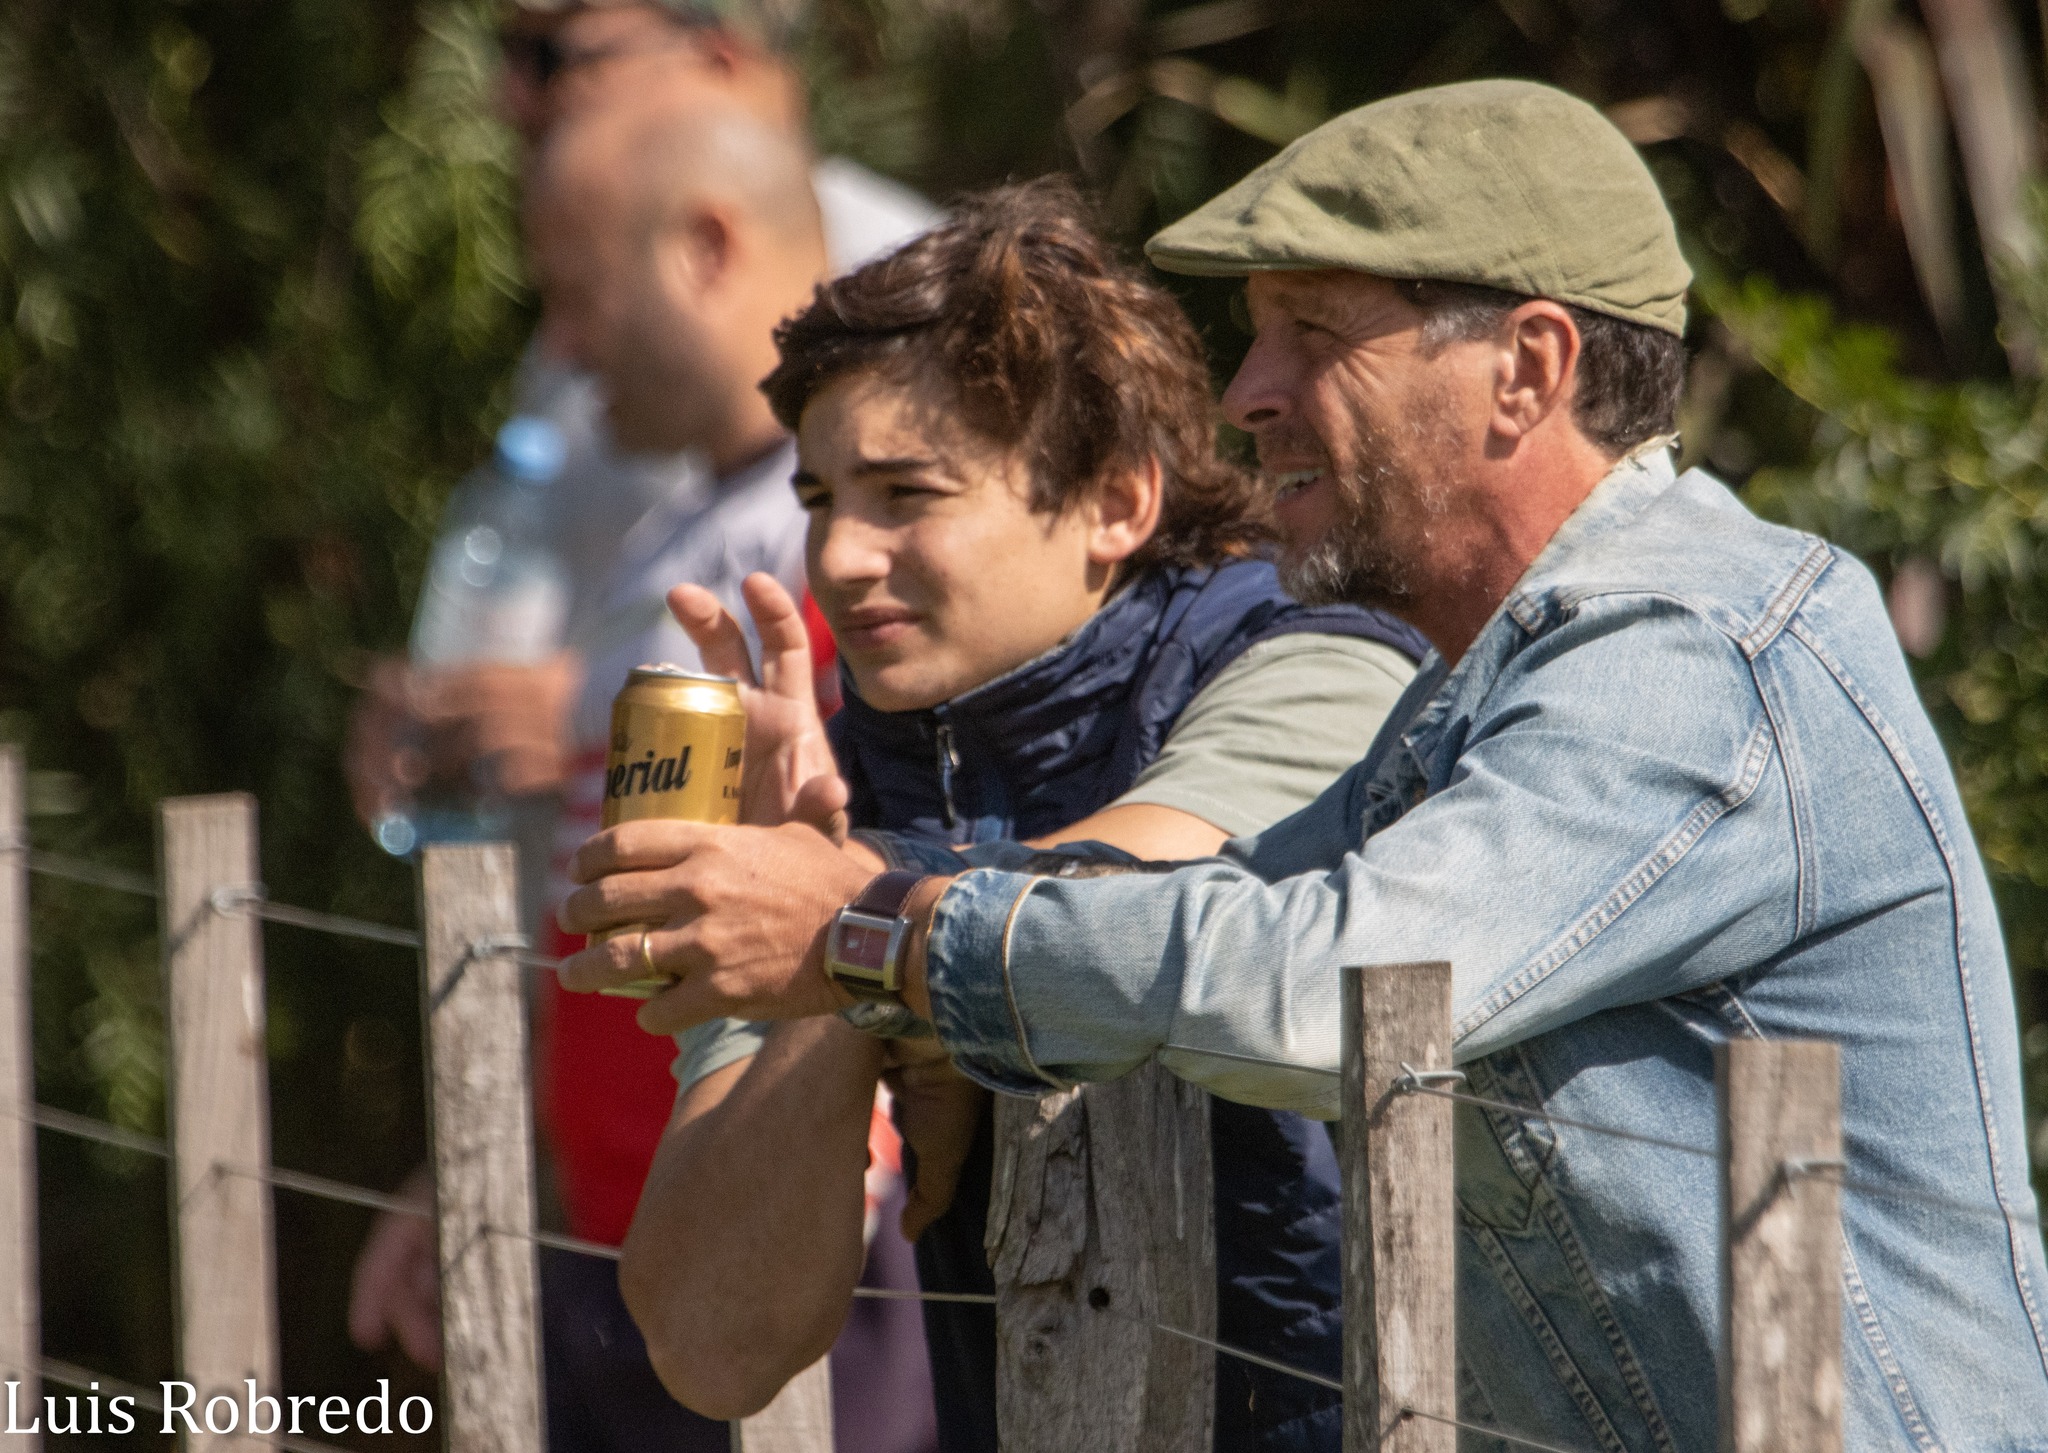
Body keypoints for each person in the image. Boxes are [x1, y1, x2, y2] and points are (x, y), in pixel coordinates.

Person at [556, 79, 2048, 1452]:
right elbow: (1217, 901)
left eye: (1313, 333)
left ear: (1529, 368)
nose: (1248, 389)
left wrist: (864, 931)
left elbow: (1322, 980)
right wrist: (901, 993)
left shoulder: (1695, 656)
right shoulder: (1481, 694)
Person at [596, 180, 1425, 1448]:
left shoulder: (1322, 666)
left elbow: (1116, 903)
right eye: (820, 500)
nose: (840, 556)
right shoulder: (844, 794)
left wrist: (847, 929)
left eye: (906, 493)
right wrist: (855, 964)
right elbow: (713, 1342)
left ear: (1114, 502)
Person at [342, 6, 938, 1451]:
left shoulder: (860, 545)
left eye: (579, 288)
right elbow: (608, 902)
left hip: (811, 1254)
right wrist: (496, 1150)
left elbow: (871, 866)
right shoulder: (659, 531)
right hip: (625, 1231)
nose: (563, 340)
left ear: (708, 247)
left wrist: (824, 1195)